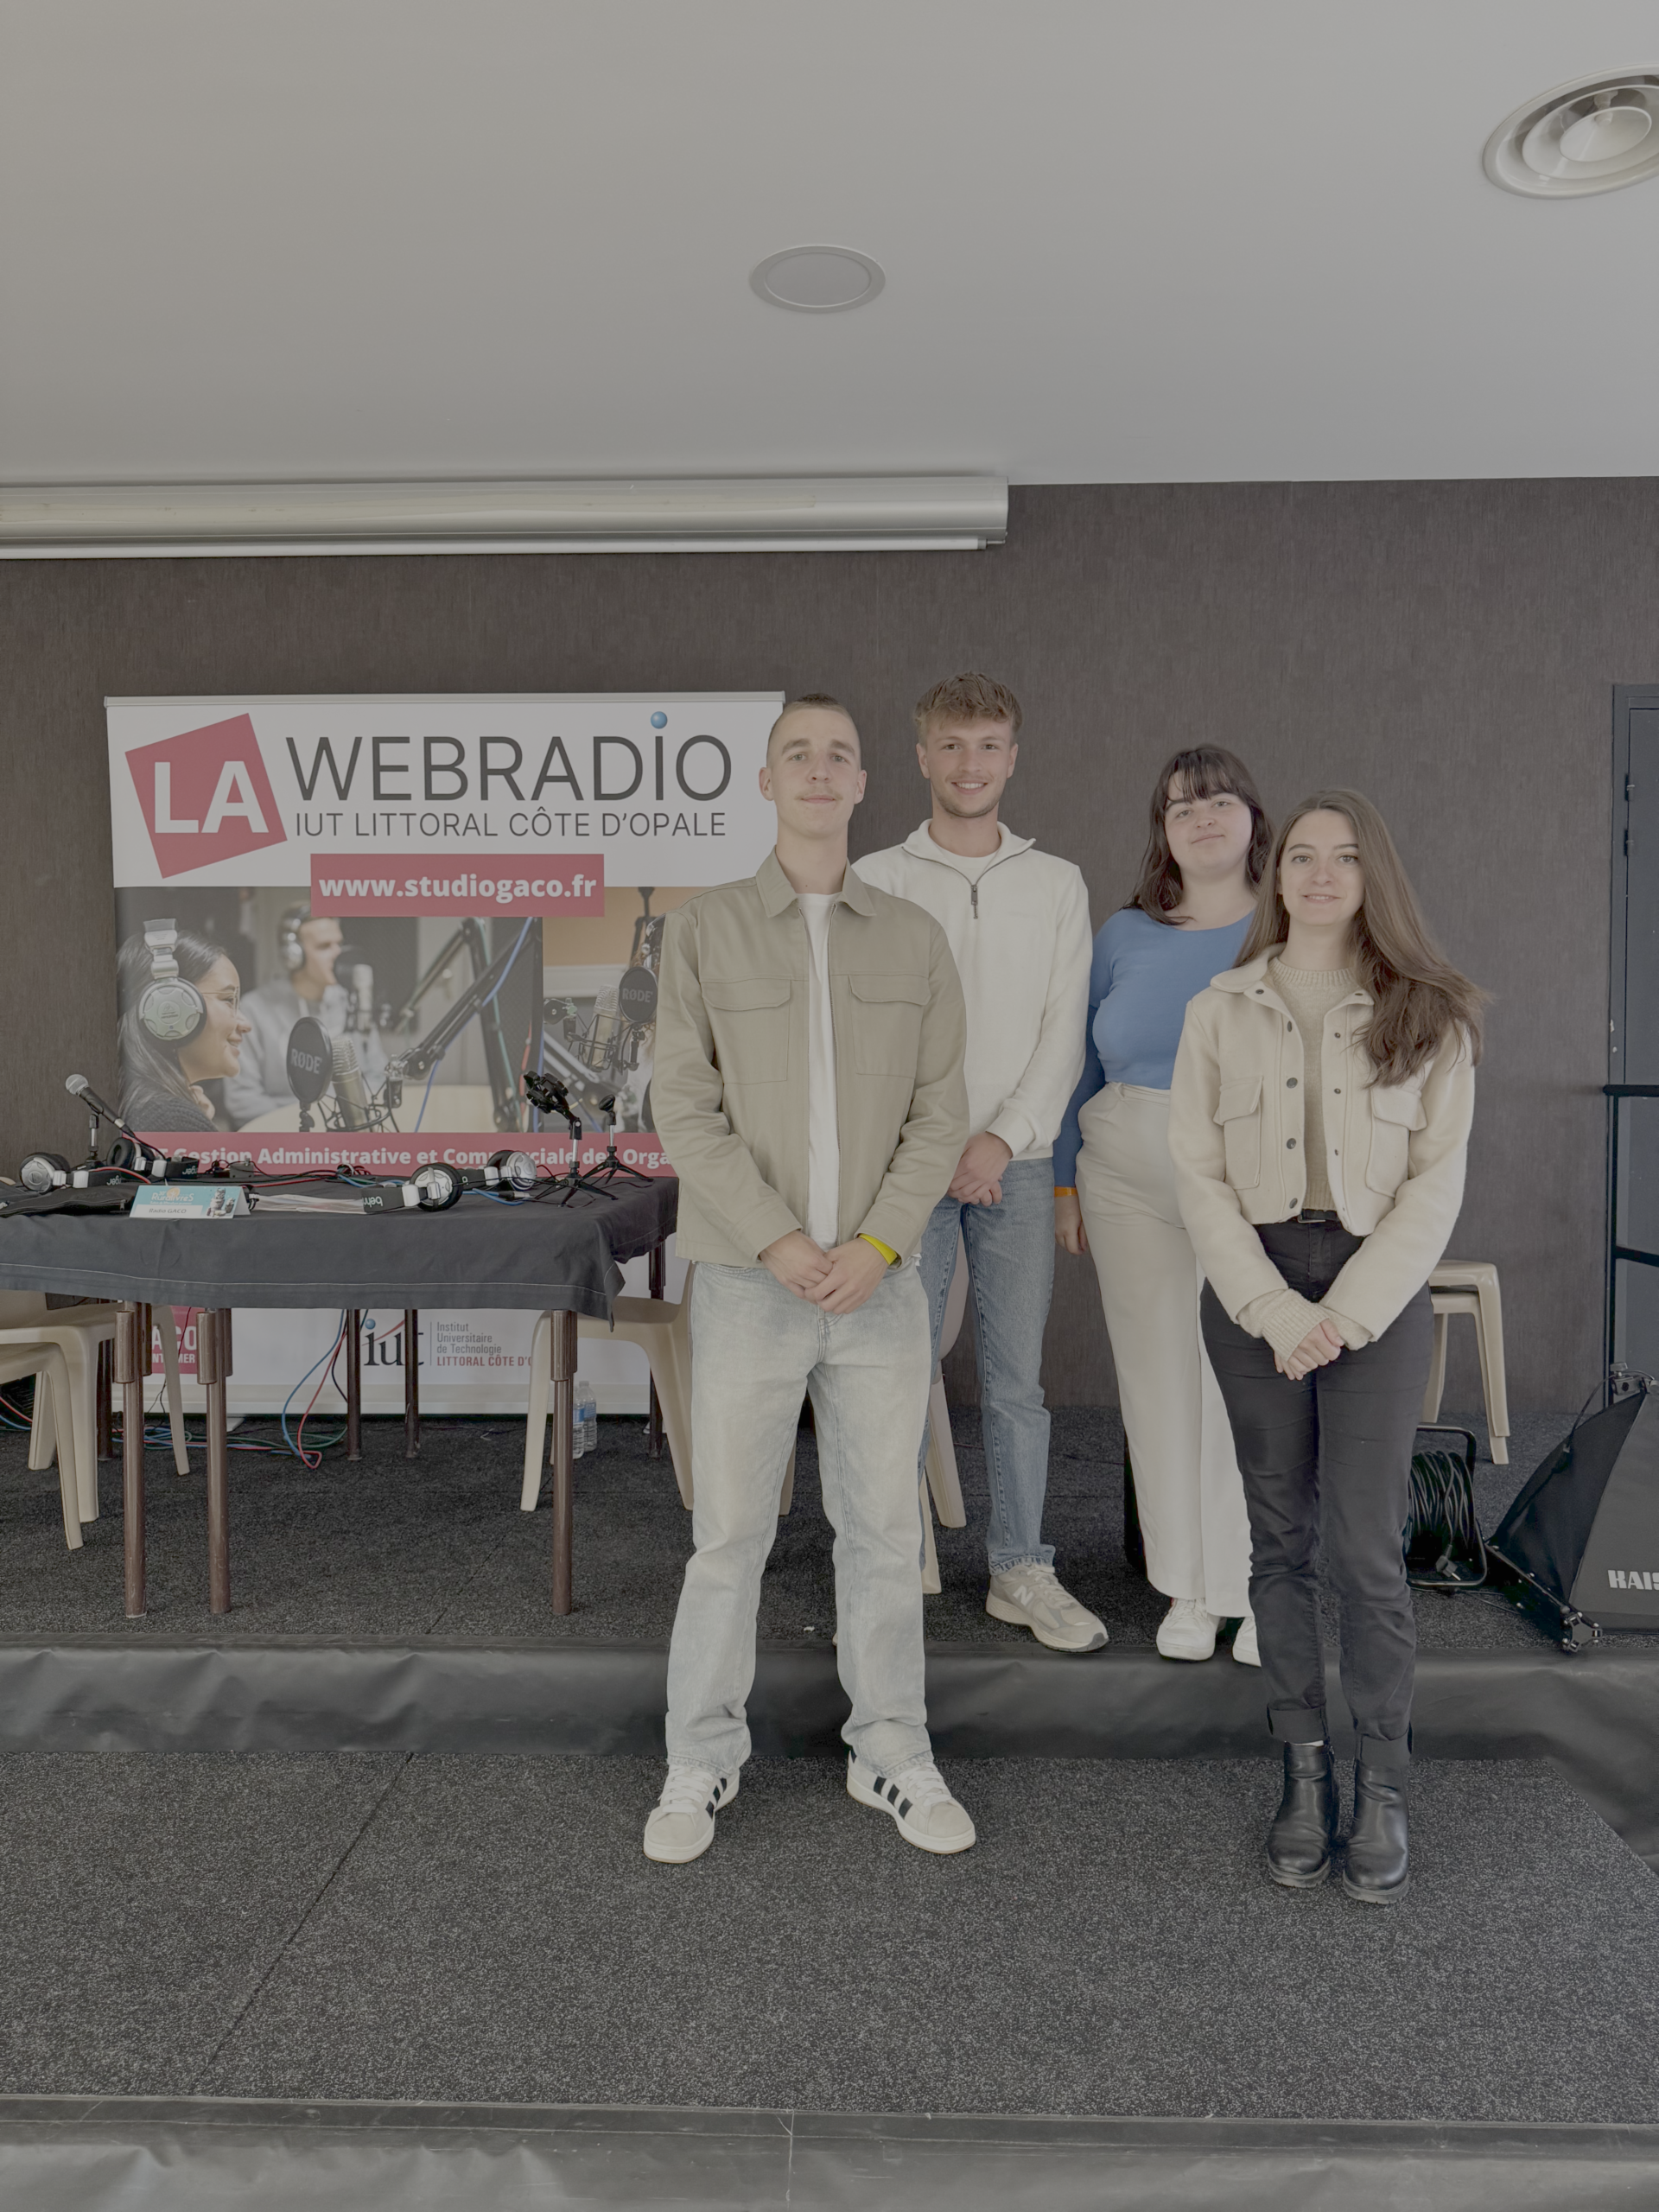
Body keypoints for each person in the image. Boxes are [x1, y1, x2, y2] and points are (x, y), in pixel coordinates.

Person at [645, 694, 974, 1865]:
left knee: (884, 1534)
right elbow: (683, 1106)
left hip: (881, 1287)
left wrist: (877, 1246)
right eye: (799, 753)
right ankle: (699, 1756)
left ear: (864, 781)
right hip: (750, 1283)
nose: (821, 770)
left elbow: (940, 1115)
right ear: (766, 781)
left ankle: (891, 1752)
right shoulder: (705, 930)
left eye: (840, 753)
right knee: (729, 1534)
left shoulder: (914, 937)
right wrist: (780, 1240)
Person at [1168, 791, 1482, 1904]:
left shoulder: (1432, 1014)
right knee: (1281, 1543)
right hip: (1254, 1289)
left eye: (1344, 857)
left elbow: (1435, 1188)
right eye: (1300, 855)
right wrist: (1271, 1306)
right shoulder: (1219, 1010)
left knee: (1365, 1548)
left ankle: (1382, 1784)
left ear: (1371, 876)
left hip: (1372, 1296)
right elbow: (1197, 1176)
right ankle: (1303, 1774)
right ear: (1276, 874)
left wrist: (1343, 1315)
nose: (1318, 873)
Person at [857, 673, 1098, 1650]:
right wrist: (939, 1143)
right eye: (952, 745)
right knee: (892, 1371)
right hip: (906, 1165)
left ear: (1013, 756)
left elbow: (1065, 1028)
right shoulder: (876, 877)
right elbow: (869, 1032)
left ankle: (1021, 1568)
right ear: (922, 756)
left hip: (1020, 1163)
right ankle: (887, 1562)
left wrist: (1001, 1139)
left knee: (1016, 1381)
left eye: (988, 744)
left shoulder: (1057, 883)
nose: (970, 764)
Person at [1053, 750, 1269, 1666]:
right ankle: (1186, 1585)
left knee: (1243, 1381)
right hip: (1123, 1173)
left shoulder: (1286, 926)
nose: (1203, 817)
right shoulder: (1124, 933)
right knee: (1155, 1376)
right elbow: (1077, 1061)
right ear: (1163, 831)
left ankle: (1252, 1587)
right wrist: (1065, 1182)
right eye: (1182, 807)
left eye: (1219, 801)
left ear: (1253, 817)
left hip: (1244, 1172)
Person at [224, 906, 385, 1125]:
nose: (338, 954)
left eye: (339, 944)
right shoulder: (254, 1010)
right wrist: (310, 1126)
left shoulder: (351, 1003)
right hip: (285, 1135)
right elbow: (242, 1099)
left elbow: (377, 1075)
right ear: (293, 956)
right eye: (324, 946)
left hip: (348, 1129)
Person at [117, 927, 253, 1135]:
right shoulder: (169, 1119)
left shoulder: (154, 1111)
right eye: (228, 1000)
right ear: (170, 1009)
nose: (245, 1024)